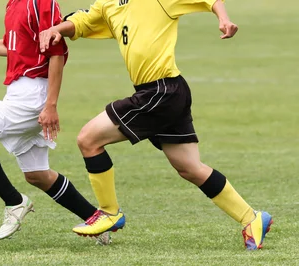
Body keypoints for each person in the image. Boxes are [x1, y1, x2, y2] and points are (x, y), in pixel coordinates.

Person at [38, 0, 272, 250]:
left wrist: (223, 18)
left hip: (161, 91)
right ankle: (252, 218)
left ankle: (109, 212)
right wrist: (58, 29)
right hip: (164, 92)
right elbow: (83, 22)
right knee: (190, 168)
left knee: (88, 139)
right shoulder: (108, 4)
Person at [0, 0, 103, 240]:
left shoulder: (40, 3)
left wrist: (50, 105)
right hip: (22, 94)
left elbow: (56, 54)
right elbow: (12, 47)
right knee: (36, 175)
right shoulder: (14, 4)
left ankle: (15, 203)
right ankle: (95, 220)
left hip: (30, 99)